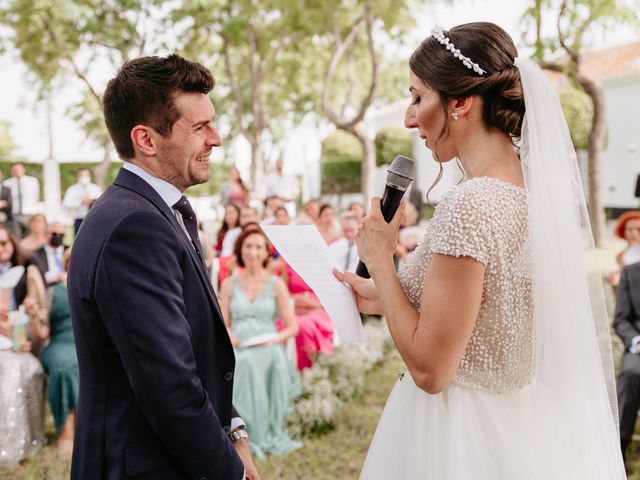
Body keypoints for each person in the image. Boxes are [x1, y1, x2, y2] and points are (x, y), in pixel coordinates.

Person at [335, 23, 624, 479]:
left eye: (417, 97)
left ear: (461, 102)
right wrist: (372, 289)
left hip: (456, 436)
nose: (410, 119)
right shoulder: (529, 195)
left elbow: (432, 370)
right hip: (514, 422)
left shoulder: (474, 204)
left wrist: (379, 260)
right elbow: (461, 307)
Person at [67, 54, 259, 480]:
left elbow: (195, 348)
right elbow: (168, 383)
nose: (217, 137)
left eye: (213, 121)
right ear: (146, 139)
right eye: (199, 127)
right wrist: (231, 472)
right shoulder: (134, 227)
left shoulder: (156, 210)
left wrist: (235, 432)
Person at [219, 226, 301, 459]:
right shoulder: (229, 284)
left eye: (258, 247)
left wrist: (273, 339)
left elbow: (292, 327)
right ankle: (243, 431)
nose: (253, 252)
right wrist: (231, 335)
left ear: (266, 253)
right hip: (240, 344)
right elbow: (222, 322)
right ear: (240, 249)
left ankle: (263, 431)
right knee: (243, 361)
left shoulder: (276, 284)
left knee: (263, 359)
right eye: (248, 246)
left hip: (269, 345)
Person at [26, 250, 78, 460]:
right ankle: (66, 431)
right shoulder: (54, 291)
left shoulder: (95, 285)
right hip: (59, 343)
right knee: (64, 366)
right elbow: (42, 333)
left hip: (85, 343)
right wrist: (33, 314)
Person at [0, 226, 45, 465]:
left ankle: (19, 438)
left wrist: (30, 313)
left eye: (5, 242)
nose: (2, 248)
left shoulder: (26, 272)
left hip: (20, 339)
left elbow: (33, 316)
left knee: (25, 369)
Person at [614, 261, 640, 461]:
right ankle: (619, 452)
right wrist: (636, 340)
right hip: (638, 348)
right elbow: (621, 319)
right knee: (631, 374)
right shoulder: (630, 272)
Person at [2, 162, 40, 237]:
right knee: (16, 236)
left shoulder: (32, 181)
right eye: (14, 170)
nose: (17, 171)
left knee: (29, 236)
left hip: (29, 214)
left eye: (19, 169)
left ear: (23, 169)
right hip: (14, 215)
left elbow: (36, 196)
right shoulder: (6, 183)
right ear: (11, 171)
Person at [62, 168, 103, 235]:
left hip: (93, 219)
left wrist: (92, 201)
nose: (84, 178)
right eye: (82, 176)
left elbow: (102, 203)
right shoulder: (72, 189)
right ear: (77, 177)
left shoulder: (96, 188)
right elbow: (66, 204)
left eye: (86, 175)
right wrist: (80, 202)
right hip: (79, 219)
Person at [27, 221, 67, 287]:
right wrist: (57, 277)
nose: (58, 237)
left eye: (61, 235)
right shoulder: (36, 255)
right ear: (46, 234)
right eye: (54, 234)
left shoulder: (70, 252)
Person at [607, 211, 640, 290]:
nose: (634, 233)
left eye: (639, 229)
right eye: (630, 229)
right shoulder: (621, 256)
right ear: (623, 232)